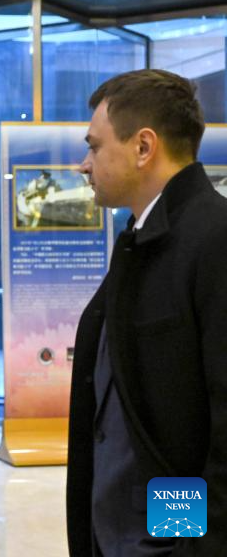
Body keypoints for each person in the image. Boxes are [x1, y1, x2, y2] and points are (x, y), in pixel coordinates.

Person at [68, 69, 227, 557]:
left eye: (95, 147)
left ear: (143, 147)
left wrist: (186, 545)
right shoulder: (141, 239)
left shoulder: (211, 240)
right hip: (123, 531)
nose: (83, 165)